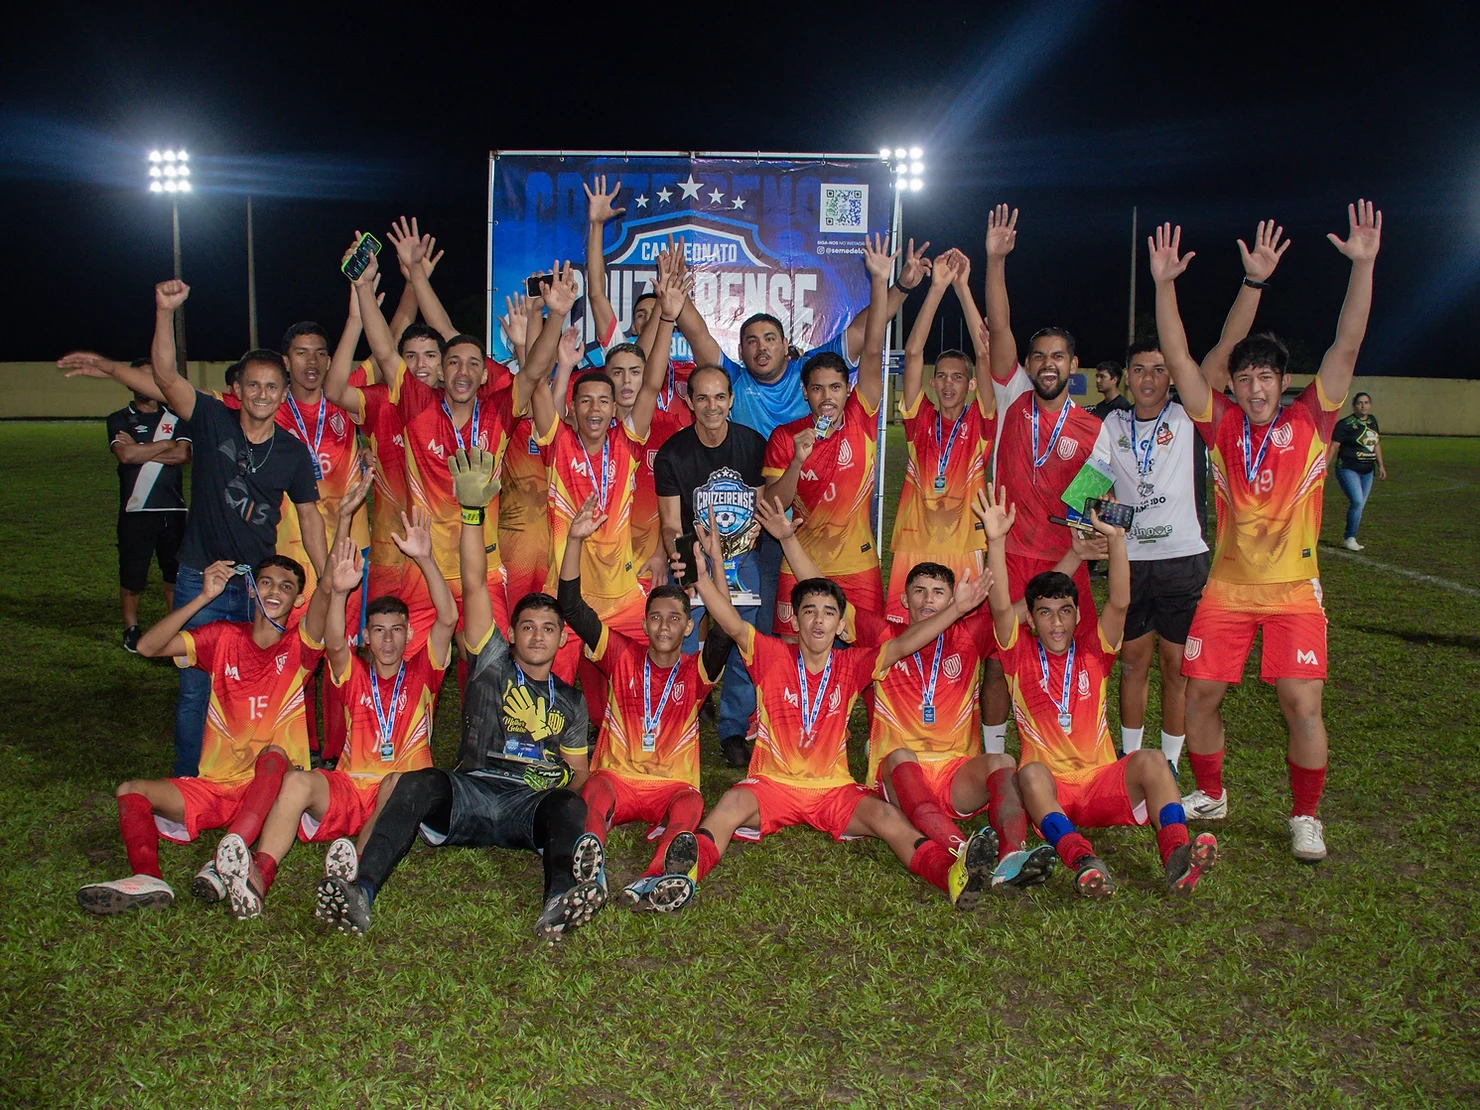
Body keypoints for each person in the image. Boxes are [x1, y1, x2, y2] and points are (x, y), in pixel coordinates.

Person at [1151, 200, 1382, 863]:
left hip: (1292, 592)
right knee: (1200, 696)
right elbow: (1177, 355)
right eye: (1245, 376)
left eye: (1266, 376)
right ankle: (1213, 793)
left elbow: (1349, 341)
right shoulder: (1218, 423)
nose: (1254, 386)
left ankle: (1305, 816)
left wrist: (1361, 268)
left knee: (1299, 702)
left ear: (1283, 383)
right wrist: (1166, 285)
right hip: (1226, 588)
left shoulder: (1313, 419)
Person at [316, 446, 605, 940]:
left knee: (570, 807)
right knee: (417, 782)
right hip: (470, 793)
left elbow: (577, 775)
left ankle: (559, 901)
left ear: (562, 639)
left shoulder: (571, 701)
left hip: (526, 808)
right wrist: (473, 513)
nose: (537, 636)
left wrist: (555, 781)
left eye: (548, 629)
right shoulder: (490, 659)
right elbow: (473, 582)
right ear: (510, 635)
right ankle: (359, 891)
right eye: (527, 627)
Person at [680, 520, 1000, 908]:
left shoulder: (854, 664)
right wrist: (704, 575)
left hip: (833, 789)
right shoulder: (769, 654)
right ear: (794, 621)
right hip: (773, 785)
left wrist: (957, 610)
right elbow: (729, 620)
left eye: (829, 613)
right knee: (729, 804)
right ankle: (684, 871)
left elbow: (904, 644)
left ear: (839, 625)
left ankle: (950, 874)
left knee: (886, 819)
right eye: (809, 612)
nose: (818, 620)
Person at [771, 492, 1056, 890]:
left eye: (938, 592)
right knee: (900, 754)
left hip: (956, 772)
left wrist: (996, 541)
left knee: (1002, 762)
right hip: (899, 774)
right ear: (903, 600)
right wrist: (787, 539)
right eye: (919, 591)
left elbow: (1023, 610)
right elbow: (823, 589)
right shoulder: (880, 634)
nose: (928, 599)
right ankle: (963, 849)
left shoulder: (971, 634)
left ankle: (1012, 856)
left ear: (956, 598)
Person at [1088, 220, 1287, 766]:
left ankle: (1170, 763)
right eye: (1138, 370)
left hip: (1183, 561)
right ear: (1124, 378)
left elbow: (1223, 351)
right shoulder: (1110, 425)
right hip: (1131, 563)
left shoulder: (1191, 415)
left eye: (1159, 369)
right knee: (1132, 662)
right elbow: (1087, 489)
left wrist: (1252, 285)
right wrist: (1090, 516)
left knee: (1178, 667)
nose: (1149, 378)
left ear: (1171, 376)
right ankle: (1131, 761)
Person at [210, 514, 458, 921]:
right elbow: (336, 641)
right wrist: (341, 592)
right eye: (378, 631)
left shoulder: (424, 671)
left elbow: (447, 619)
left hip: (398, 793)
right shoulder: (353, 672)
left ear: (410, 635)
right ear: (367, 637)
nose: (388, 639)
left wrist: (427, 560)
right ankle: (259, 876)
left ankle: (352, 874)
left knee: (397, 781)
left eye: (396, 630)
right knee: (297, 780)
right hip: (347, 786)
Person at [976, 484, 1218, 897]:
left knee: (1154, 761)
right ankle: (1083, 859)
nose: (1056, 624)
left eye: (1065, 612)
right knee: (1029, 772)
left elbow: (1120, 603)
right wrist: (996, 541)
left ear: (1077, 616)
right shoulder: (1017, 654)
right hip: (1053, 791)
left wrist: (1117, 538)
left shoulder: (1093, 651)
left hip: (1104, 782)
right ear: (1030, 621)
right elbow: (1001, 607)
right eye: (1045, 614)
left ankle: (1177, 853)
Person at [76, 552, 332, 914]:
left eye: (287, 587)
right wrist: (203, 597)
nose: (275, 591)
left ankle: (224, 856)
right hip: (217, 785)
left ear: (298, 601)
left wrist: (336, 552)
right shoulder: (222, 637)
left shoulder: (300, 645)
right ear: (250, 589)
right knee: (131, 790)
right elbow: (147, 647)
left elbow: (326, 592)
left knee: (274, 756)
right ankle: (148, 878)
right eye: (267, 582)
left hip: (272, 787)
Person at [145, 280, 327, 777]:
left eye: (272, 387)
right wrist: (165, 311)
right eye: (253, 385)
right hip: (199, 577)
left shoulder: (291, 450)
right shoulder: (210, 420)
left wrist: (328, 574)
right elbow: (164, 375)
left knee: (257, 682)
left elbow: (309, 518)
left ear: (284, 392)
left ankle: (243, 771)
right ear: (237, 390)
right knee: (196, 687)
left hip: (257, 588)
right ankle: (188, 779)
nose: (262, 394)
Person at [558, 495, 734, 911]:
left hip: (670, 787)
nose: (664, 626)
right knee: (596, 787)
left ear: (689, 626)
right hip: (618, 779)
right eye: (656, 617)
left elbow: (726, 631)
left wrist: (713, 565)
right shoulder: (620, 655)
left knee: (692, 803)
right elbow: (571, 606)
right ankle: (591, 866)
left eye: (675, 619)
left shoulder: (696, 671)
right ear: (643, 623)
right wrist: (574, 540)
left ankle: (656, 878)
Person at [979, 204, 1106, 757]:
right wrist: (996, 260)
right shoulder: (1011, 401)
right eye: (1039, 357)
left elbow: (1089, 511)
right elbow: (1000, 325)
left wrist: (1072, 560)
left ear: (1073, 362)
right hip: (1006, 559)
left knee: (1069, 653)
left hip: (1063, 558)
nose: (1047, 364)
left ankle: (1063, 744)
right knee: (996, 660)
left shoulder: (1094, 430)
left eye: (1058, 356)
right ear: (1027, 364)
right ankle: (992, 753)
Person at [528, 263, 668, 722]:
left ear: (614, 409)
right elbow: (533, 381)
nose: (594, 408)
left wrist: (667, 317)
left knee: (657, 661)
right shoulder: (557, 443)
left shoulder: (626, 443)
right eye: (585, 400)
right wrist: (552, 318)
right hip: (567, 593)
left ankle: (647, 735)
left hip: (624, 596)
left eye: (603, 401)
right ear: (572, 406)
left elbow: (649, 383)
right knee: (547, 688)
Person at [762, 233, 892, 634]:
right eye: (817, 389)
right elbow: (772, 505)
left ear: (848, 389)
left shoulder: (861, 416)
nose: (827, 397)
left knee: (871, 660)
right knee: (791, 663)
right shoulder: (786, 436)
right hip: (799, 566)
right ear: (806, 392)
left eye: (835, 387)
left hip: (859, 568)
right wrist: (797, 461)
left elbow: (872, 351)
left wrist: (879, 281)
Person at [653, 363, 769, 767]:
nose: (711, 406)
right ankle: (677, 719)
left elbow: (755, 509)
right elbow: (669, 524)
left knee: (745, 640)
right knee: (681, 638)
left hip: (741, 559)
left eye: (720, 396)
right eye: (701, 397)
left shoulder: (753, 444)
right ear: (689, 401)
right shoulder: (672, 454)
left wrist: (749, 536)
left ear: (731, 400)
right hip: (693, 557)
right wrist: (683, 561)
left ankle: (734, 728)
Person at [886, 247, 996, 625]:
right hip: (915, 543)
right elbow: (913, 352)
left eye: (958, 377)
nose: (949, 383)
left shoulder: (982, 423)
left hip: (964, 545)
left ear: (969, 386)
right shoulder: (920, 422)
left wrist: (963, 288)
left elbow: (985, 355)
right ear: (933, 383)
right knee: (909, 637)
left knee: (962, 642)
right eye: (943, 376)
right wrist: (935, 289)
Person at [106, 370, 191, 652]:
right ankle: (131, 627)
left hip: (174, 508)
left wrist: (143, 449)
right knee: (133, 574)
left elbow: (183, 455)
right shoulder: (119, 418)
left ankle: (173, 626)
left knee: (173, 573)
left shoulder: (176, 418)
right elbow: (125, 455)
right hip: (136, 508)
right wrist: (166, 444)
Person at [1329, 392, 1386, 550]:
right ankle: (1350, 537)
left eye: (1366, 402)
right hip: (1348, 468)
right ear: (1354, 405)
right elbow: (1334, 445)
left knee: (1359, 505)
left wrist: (1380, 464)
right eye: (1360, 403)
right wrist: (1324, 466)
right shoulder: (1345, 424)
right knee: (1357, 501)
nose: (1363, 406)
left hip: (1367, 471)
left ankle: (1351, 536)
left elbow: (1376, 444)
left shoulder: (1373, 421)